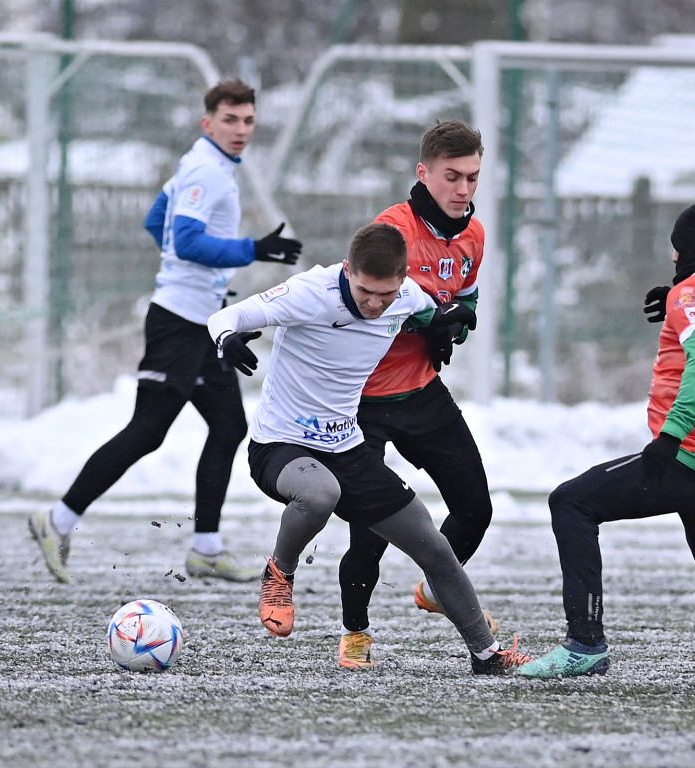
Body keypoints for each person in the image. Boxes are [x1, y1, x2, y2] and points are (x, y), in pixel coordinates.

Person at [207, 221, 532, 675]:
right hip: (280, 446)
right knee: (320, 493)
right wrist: (227, 338)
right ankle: (280, 572)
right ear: (348, 270)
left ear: (401, 279)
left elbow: (431, 312)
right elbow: (225, 316)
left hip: (346, 447)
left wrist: (447, 321)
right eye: (364, 292)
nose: (376, 304)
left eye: (386, 294)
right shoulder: (310, 292)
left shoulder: (406, 296)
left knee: (435, 548)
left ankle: (486, 654)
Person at [29, 79, 302, 585]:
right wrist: (251, 250)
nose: (240, 130)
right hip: (179, 323)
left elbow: (158, 222)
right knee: (147, 431)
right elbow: (188, 240)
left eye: (247, 121)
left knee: (228, 428)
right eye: (230, 120)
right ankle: (57, 520)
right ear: (208, 122)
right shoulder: (207, 171)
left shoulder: (203, 166)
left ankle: (206, 549)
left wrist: (200, 274)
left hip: (203, 322)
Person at [335, 120, 497, 670]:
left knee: (476, 509)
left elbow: (466, 300)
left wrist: (458, 320)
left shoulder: (473, 234)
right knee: (371, 534)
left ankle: (437, 583)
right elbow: (361, 306)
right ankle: (355, 632)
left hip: (423, 394)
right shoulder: (389, 232)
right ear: (423, 173)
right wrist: (427, 318)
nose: (463, 190)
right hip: (365, 402)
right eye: (452, 177)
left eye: (473, 178)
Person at [519, 204, 695, 679]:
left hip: (683, 458)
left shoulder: (690, 296)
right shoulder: (687, 294)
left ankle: (585, 644)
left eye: (678, 252)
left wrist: (671, 436)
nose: (674, 259)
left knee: (572, 502)